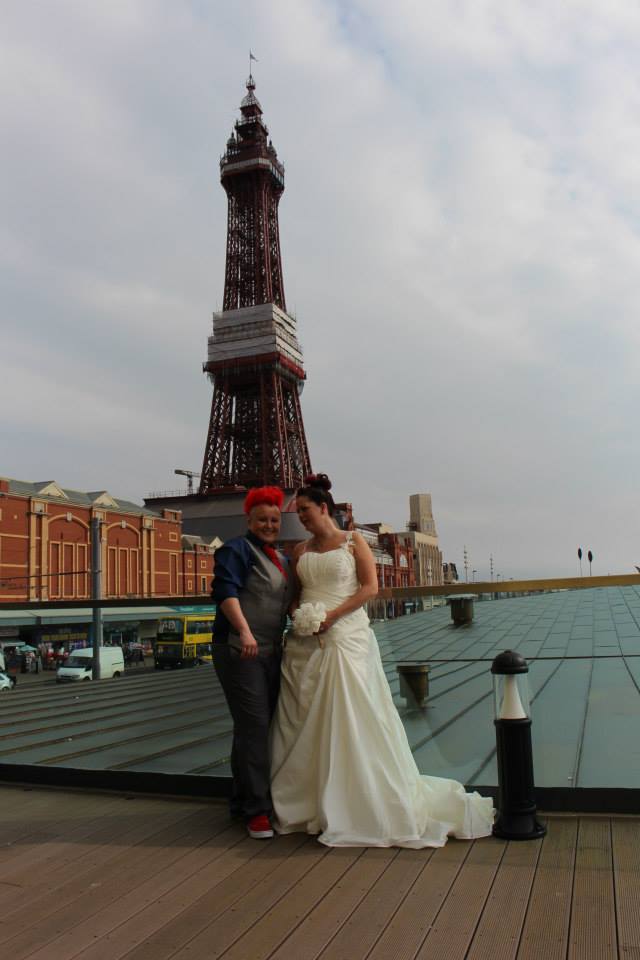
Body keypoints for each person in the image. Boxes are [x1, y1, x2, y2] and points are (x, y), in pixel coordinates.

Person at [271, 473, 494, 848]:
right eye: (297, 513)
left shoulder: (354, 541)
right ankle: (312, 802)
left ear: (323, 508)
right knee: (305, 720)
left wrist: (331, 616)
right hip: (306, 642)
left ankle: (358, 801)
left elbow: (370, 588)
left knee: (353, 715)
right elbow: (294, 595)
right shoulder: (300, 552)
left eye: (304, 511)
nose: (301, 518)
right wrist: (301, 616)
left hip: (345, 635)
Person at [212, 486, 294, 840]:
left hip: (272, 650)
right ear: (248, 520)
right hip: (240, 649)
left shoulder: (282, 559)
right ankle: (257, 811)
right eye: (262, 519)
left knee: (251, 728)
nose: (269, 524)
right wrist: (243, 632)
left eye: (274, 519)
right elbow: (225, 593)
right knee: (256, 727)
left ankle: (243, 801)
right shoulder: (235, 549)